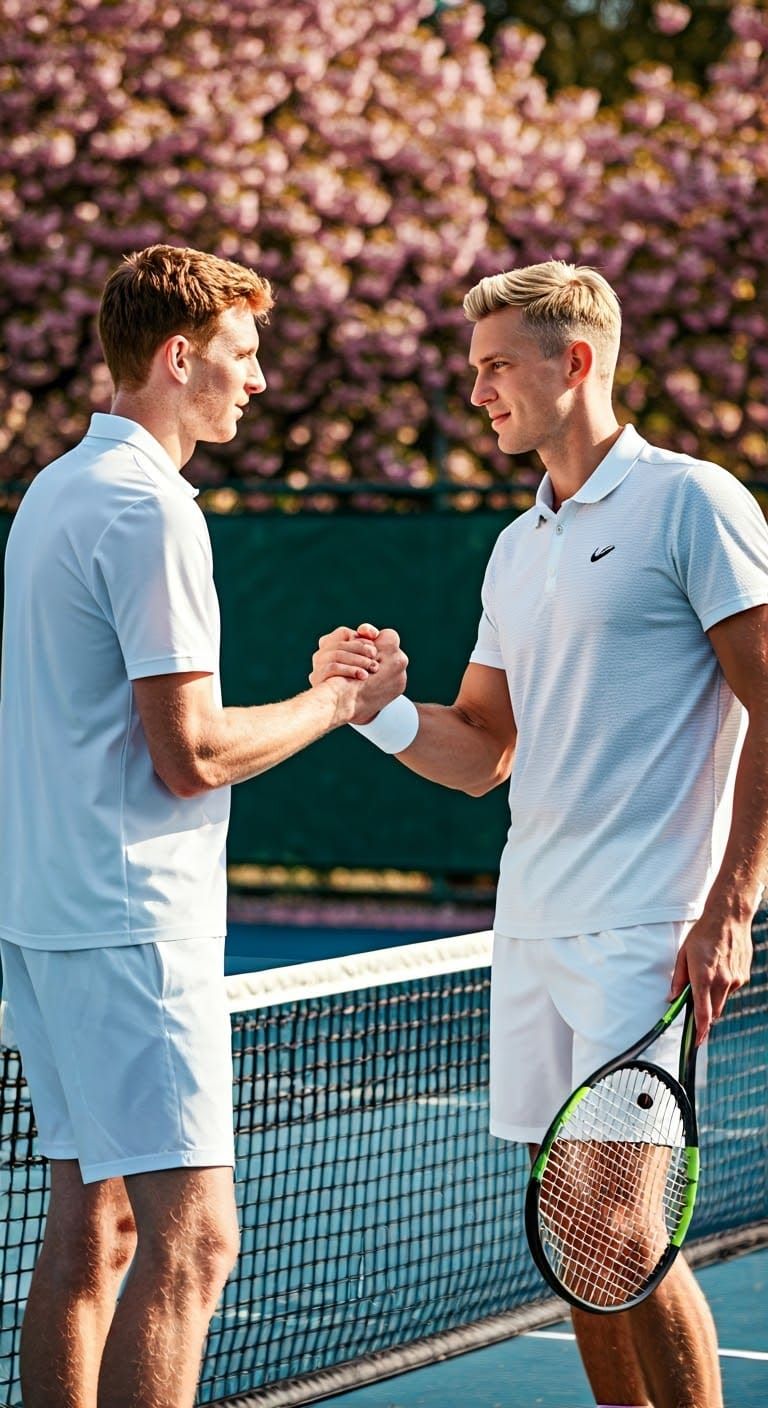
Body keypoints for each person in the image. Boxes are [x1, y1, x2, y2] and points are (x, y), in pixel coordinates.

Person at [311, 260, 768, 1408]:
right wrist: (376, 712)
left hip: (646, 930)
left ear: (576, 362)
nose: (477, 393)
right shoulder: (518, 545)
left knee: (620, 1228)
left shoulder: (694, 502)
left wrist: (732, 903)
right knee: (577, 1240)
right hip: (532, 930)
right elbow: (483, 749)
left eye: (496, 367)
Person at [0, 243, 406, 1408]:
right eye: (242, 353)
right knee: (195, 1240)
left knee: (96, 1226)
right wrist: (337, 701)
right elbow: (193, 756)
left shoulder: (58, 489)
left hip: (51, 914)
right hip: (131, 923)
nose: (259, 378)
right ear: (179, 358)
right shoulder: (149, 509)